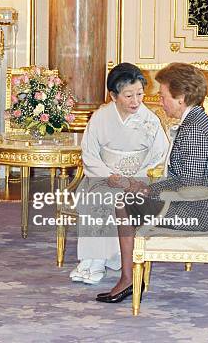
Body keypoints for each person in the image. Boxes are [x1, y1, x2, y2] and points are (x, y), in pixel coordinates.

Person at [96, 62, 208, 303]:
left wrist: (149, 190)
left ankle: (128, 279)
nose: (160, 102)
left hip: (203, 214)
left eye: (163, 96)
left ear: (180, 98)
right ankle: (129, 276)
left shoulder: (195, 131)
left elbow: (190, 187)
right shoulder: (194, 121)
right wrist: (148, 189)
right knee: (129, 199)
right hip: (205, 205)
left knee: (124, 204)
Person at [70, 63, 169, 284]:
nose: (136, 101)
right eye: (128, 96)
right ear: (114, 96)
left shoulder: (150, 121)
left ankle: (98, 261)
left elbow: (159, 155)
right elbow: (90, 153)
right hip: (104, 176)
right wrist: (108, 175)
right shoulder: (100, 117)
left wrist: (135, 179)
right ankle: (91, 259)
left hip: (136, 179)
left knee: (115, 200)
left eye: (139, 94)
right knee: (93, 196)